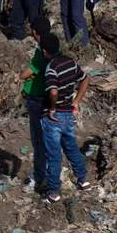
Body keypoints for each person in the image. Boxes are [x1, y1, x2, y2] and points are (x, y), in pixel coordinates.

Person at [38, 31, 92, 201]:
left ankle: (54, 192)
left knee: (53, 155)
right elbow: (85, 79)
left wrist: (52, 108)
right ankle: (82, 179)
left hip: (53, 118)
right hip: (68, 113)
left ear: (44, 51)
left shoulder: (51, 68)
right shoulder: (70, 63)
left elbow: (53, 91)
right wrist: (76, 101)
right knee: (71, 147)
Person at [20, 20, 51, 195]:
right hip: (44, 100)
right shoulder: (53, 47)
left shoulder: (42, 51)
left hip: (38, 100)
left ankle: (41, 176)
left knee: (39, 141)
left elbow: (31, 71)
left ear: (34, 32)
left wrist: (20, 76)